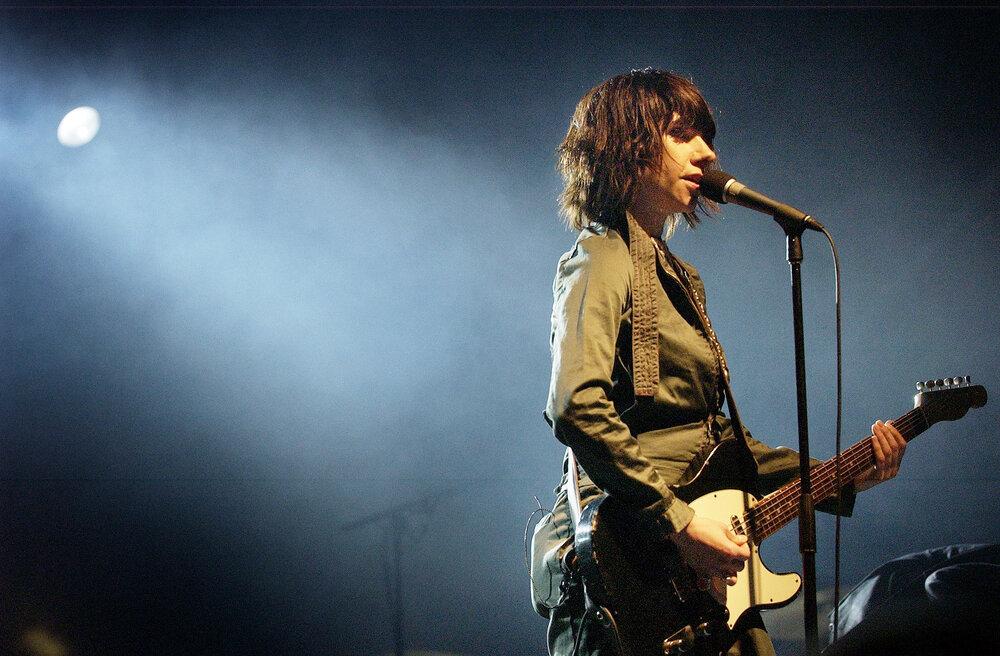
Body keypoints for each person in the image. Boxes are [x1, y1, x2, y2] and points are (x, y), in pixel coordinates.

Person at [529, 69, 907, 656]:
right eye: (682, 134)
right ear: (626, 146)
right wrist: (677, 521)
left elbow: (722, 446)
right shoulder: (601, 256)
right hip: (630, 556)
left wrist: (842, 475)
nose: (706, 152)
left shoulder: (679, 276)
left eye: (705, 136)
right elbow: (575, 405)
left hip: (696, 571)